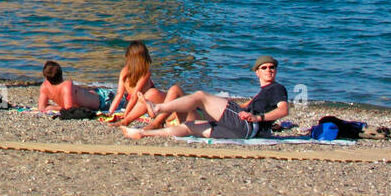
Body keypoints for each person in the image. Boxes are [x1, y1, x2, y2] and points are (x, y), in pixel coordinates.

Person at [122, 56, 289, 140]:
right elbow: (250, 108)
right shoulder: (262, 93)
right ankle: (143, 134)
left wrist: (258, 117)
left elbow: (283, 110)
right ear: (257, 73)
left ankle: (157, 108)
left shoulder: (276, 88)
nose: (269, 70)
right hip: (243, 132)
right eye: (264, 67)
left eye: (272, 67)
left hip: (247, 125)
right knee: (189, 127)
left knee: (200, 96)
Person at [103, 41, 184, 127]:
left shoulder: (125, 72)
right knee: (156, 94)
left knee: (154, 96)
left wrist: (111, 111)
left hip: (140, 104)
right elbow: (134, 96)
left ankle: (172, 114)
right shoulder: (144, 73)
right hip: (147, 103)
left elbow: (120, 94)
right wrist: (125, 115)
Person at [38, 60, 114, 113]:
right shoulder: (67, 85)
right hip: (104, 100)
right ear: (61, 73)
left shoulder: (45, 87)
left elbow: (42, 108)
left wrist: (54, 108)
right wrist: (63, 108)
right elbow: (69, 108)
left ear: (46, 77)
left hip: (100, 96)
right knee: (123, 95)